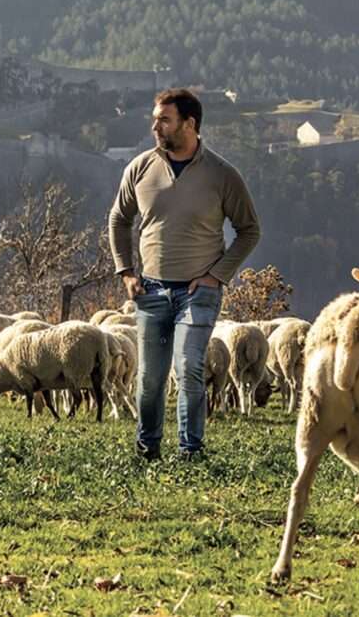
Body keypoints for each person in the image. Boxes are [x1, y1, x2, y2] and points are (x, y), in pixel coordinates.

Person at [107, 88, 260, 460]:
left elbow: (249, 230)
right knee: (150, 379)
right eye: (156, 118)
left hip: (198, 292)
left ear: (190, 124)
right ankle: (148, 448)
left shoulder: (223, 175)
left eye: (164, 119)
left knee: (190, 367)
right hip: (151, 291)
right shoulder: (140, 168)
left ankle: (190, 450)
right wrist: (126, 271)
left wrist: (217, 276)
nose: (155, 126)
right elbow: (119, 219)